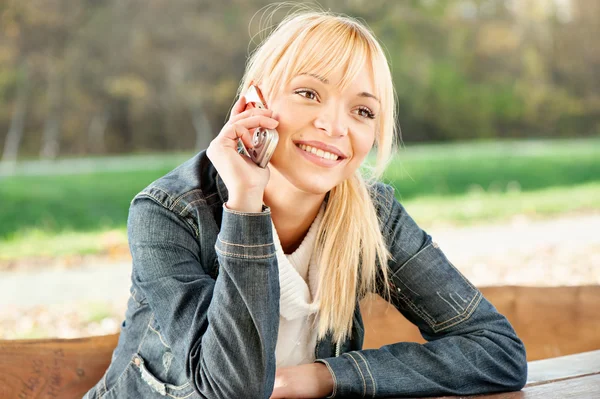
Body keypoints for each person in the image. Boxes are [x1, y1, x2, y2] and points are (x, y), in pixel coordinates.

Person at [83, 6, 527, 399]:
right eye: (309, 93)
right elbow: (232, 387)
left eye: (363, 111)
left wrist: (320, 378)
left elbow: (497, 350)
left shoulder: (371, 216)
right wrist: (245, 206)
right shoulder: (168, 213)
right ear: (254, 102)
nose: (334, 125)